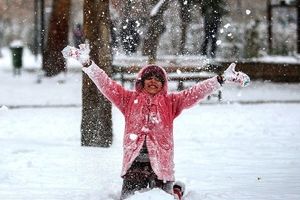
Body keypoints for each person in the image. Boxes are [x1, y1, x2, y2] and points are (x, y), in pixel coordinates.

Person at [61, 44, 250, 200]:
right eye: (148, 78)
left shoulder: (171, 102)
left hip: (161, 164)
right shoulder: (127, 99)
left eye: (158, 79)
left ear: (164, 84)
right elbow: (105, 83)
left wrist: (220, 80)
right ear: (141, 82)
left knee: (162, 197)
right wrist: (87, 64)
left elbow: (196, 92)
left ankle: (175, 190)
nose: (153, 81)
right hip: (134, 165)